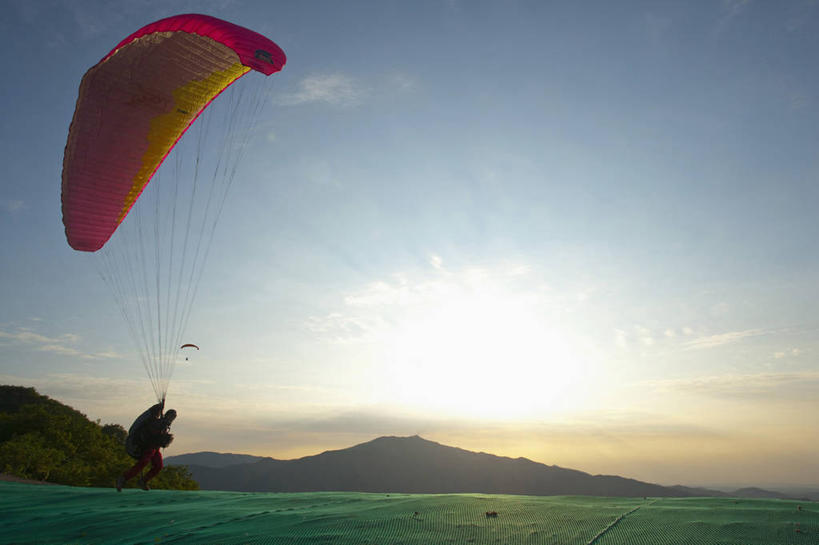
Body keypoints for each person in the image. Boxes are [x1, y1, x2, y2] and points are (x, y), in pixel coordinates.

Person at [116, 401, 176, 491]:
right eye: (171, 417)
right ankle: (123, 478)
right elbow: (149, 434)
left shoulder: (163, 425)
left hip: (153, 448)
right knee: (144, 462)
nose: (171, 419)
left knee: (158, 466)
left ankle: (143, 481)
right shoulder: (155, 422)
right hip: (145, 446)